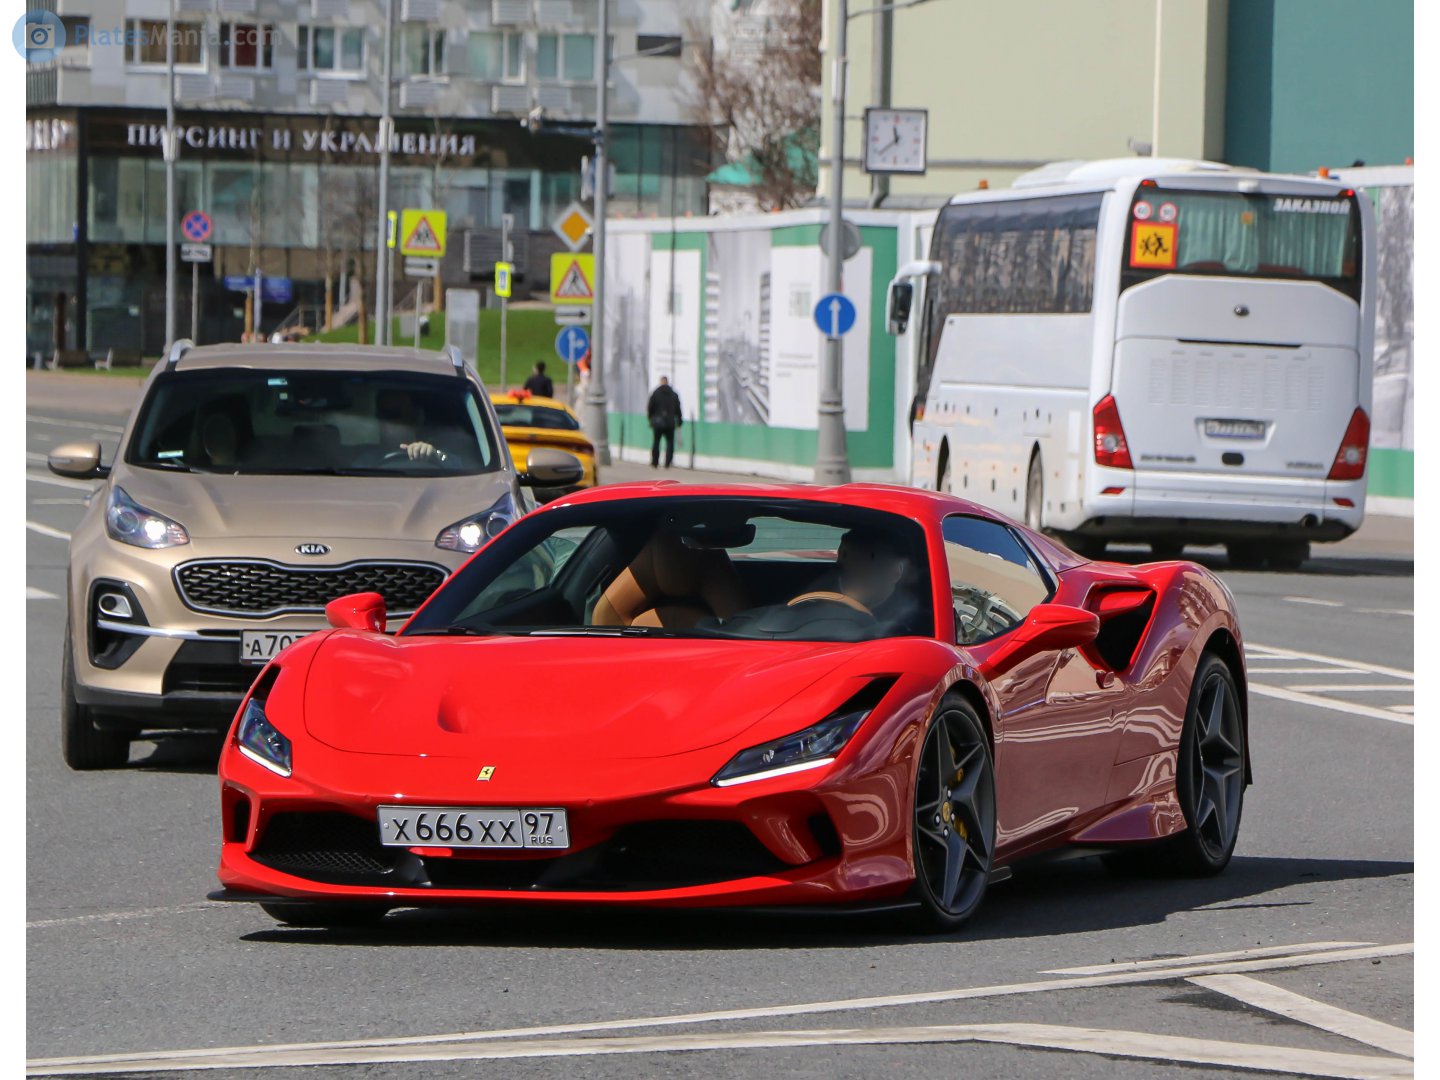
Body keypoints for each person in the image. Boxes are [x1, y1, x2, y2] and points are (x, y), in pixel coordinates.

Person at [647, 375, 683, 468]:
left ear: (661, 382)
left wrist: (650, 418)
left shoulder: (655, 393)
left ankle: (655, 462)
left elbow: (650, 407)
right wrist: (679, 420)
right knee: (670, 442)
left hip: (657, 422)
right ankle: (667, 462)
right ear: (667, 382)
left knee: (656, 442)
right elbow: (678, 409)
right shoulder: (673, 394)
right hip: (670, 422)